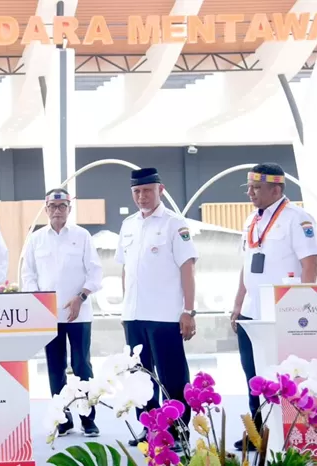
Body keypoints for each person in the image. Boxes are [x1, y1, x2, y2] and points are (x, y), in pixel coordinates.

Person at [230, 163, 317, 451]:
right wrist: (237, 305)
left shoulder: (298, 219)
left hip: (284, 314)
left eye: (257, 188)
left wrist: (303, 307)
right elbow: (246, 267)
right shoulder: (250, 221)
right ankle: (256, 434)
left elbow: (310, 265)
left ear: (276, 189)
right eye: (249, 187)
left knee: (284, 376)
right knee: (253, 376)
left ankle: (291, 432)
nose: (251, 193)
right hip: (251, 312)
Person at [115, 168, 198, 451]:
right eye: (136, 192)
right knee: (140, 376)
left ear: (160, 190)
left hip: (165, 315)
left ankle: (178, 430)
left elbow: (187, 268)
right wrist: (125, 310)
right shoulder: (128, 225)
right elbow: (126, 269)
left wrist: (189, 310)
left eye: (147, 190)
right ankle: (150, 428)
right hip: (134, 315)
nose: (141, 196)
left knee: (172, 375)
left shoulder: (175, 224)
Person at [21, 188, 103, 437]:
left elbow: (95, 272)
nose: (57, 211)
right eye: (53, 207)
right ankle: (63, 418)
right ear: (46, 210)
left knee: (82, 367)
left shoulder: (82, 235)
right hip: (49, 316)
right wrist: (39, 301)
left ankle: (87, 419)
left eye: (62, 206)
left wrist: (81, 297)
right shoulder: (36, 239)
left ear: (69, 208)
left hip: (79, 314)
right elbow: (29, 275)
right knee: (55, 368)